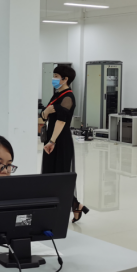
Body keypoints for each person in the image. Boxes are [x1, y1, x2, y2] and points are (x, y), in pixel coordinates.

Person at [40, 65, 87, 222]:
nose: (53, 78)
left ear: (65, 79)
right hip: (52, 138)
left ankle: (66, 208)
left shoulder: (68, 97)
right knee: (50, 176)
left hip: (60, 140)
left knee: (59, 177)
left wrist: (52, 141)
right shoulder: (57, 94)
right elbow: (44, 116)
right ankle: (74, 205)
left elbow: (61, 121)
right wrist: (46, 112)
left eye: (56, 76)